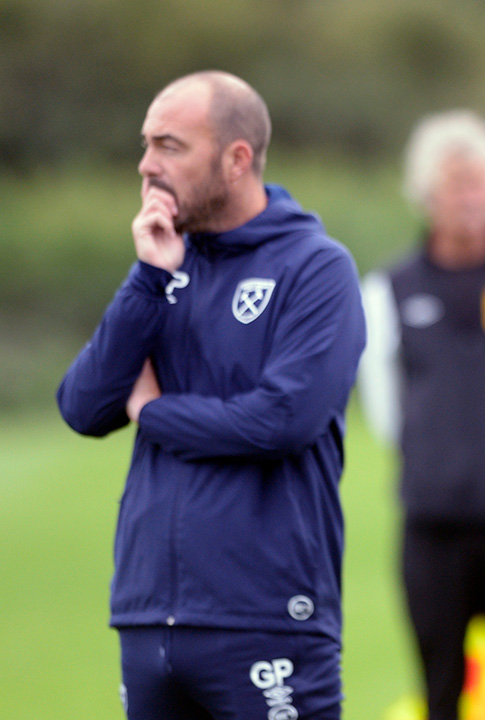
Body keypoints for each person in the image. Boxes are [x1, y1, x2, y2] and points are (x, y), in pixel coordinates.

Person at [57, 71, 365, 720]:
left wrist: (152, 411)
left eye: (170, 146)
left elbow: (281, 421)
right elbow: (82, 408)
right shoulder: (164, 263)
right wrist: (147, 278)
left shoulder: (315, 268)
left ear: (236, 159)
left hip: (268, 617)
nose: (146, 165)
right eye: (146, 145)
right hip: (147, 615)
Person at [358, 109, 485, 720]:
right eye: (455, 185)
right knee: (439, 687)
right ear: (427, 195)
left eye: (479, 183)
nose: (470, 198)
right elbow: (384, 406)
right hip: (432, 526)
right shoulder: (390, 287)